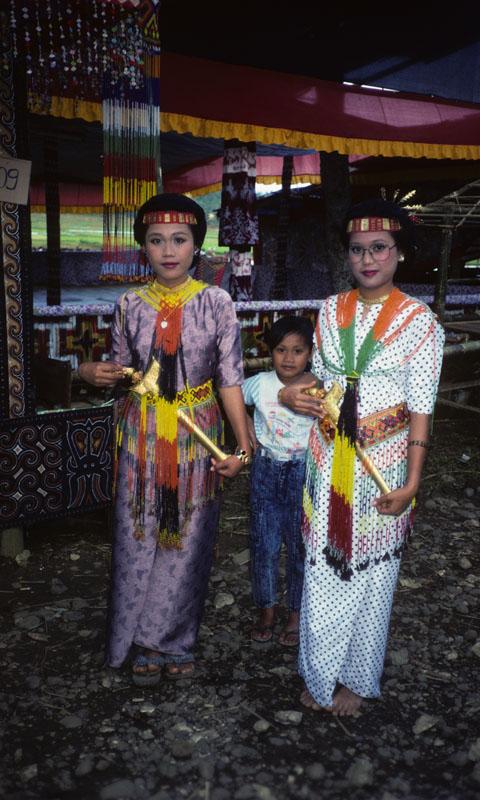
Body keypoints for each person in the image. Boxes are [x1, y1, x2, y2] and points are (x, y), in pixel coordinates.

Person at [279, 199, 445, 716]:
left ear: (400, 254)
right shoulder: (330, 310)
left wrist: (412, 481)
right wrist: (291, 394)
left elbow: (421, 411)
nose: (368, 259)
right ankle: (318, 669)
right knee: (323, 564)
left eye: (379, 248)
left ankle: (356, 678)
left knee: (373, 574)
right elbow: (319, 381)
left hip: (386, 461)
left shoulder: (421, 323)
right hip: (328, 458)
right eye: (357, 250)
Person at [78, 193, 251, 686]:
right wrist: (93, 371)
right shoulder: (130, 304)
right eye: (156, 241)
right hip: (142, 435)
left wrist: (241, 448)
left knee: (189, 537)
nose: (168, 250)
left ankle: (172, 639)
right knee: (139, 534)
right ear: (144, 249)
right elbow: (118, 371)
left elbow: (230, 380)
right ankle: (134, 639)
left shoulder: (217, 302)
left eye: (180, 239)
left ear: (197, 245)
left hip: (198, 436)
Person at [242, 316, 315, 647]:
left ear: (311, 353)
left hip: (304, 474)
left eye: (298, 350)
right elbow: (228, 396)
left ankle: (296, 614)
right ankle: (267, 610)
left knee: (302, 548)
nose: (289, 358)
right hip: (265, 472)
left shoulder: (320, 387)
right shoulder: (259, 383)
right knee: (264, 545)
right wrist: (243, 427)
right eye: (281, 350)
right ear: (269, 352)